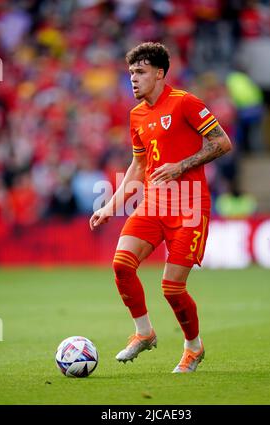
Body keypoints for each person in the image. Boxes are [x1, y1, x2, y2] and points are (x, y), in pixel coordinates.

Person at [89, 42, 232, 373]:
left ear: (159, 73)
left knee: (172, 288)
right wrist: (111, 205)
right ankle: (143, 333)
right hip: (154, 204)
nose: (133, 80)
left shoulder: (185, 103)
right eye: (130, 74)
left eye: (139, 72)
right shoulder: (136, 115)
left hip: (190, 208)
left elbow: (222, 142)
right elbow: (138, 167)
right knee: (122, 265)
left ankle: (193, 348)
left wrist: (182, 165)